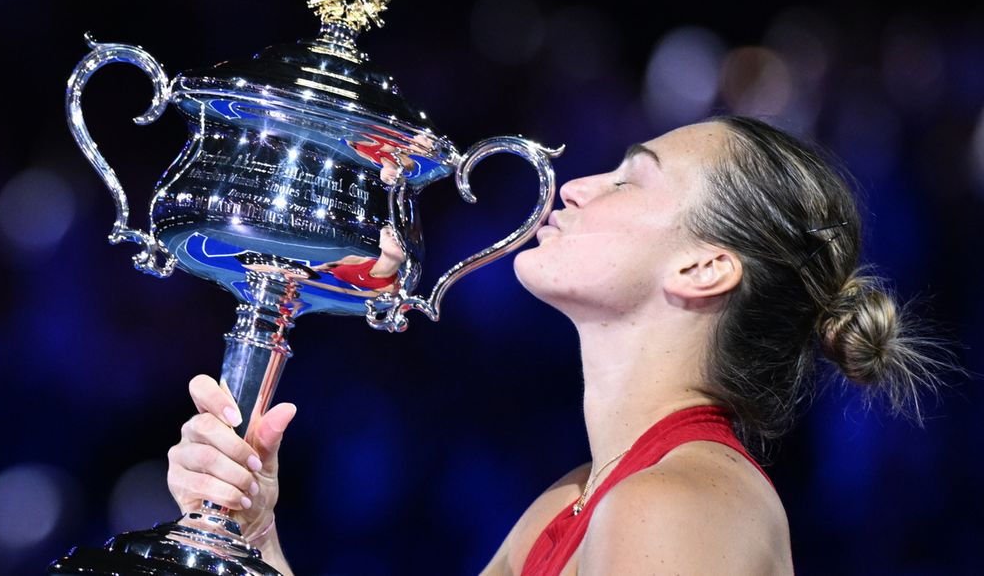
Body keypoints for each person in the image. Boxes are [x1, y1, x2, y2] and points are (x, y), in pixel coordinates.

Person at [166, 116, 953, 575]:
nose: (575, 186)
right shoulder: (576, 498)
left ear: (704, 266)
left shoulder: (674, 507)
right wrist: (250, 539)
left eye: (628, 178)